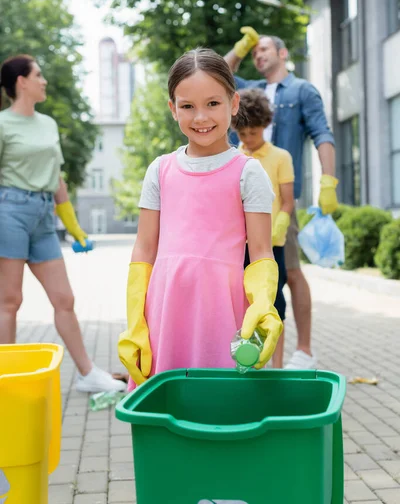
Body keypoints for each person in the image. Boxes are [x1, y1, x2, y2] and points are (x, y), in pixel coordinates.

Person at [118, 48, 283, 389]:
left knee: (222, 406)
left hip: (221, 311)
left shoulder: (248, 173)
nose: (200, 117)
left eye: (212, 103)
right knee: (166, 406)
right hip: (165, 310)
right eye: (187, 106)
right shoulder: (160, 170)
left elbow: (262, 252)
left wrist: (265, 301)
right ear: (172, 109)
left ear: (233, 104)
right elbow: (144, 249)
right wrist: (136, 319)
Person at [0, 55, 126, 393]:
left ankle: (87, 373)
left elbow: (57, 179)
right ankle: (7, 380)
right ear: (20, 82)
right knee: (9, 301)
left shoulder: (48, 125)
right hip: (8, 211)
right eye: (38, 75)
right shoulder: (2, 125)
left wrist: (75, 229)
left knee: (64, 299)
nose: (44, 80)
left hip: (43, 216)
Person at [225, 28, 338, 370]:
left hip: (280, 203)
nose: (258, 55)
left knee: (289, 271)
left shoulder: (302, 90)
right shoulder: (251, 90)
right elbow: (220, 75)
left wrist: (329, 179)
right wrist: (238, 48)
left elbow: (322, 133)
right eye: (254, 52)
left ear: (283, 53)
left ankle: (303, 350)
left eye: (263, 49)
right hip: (244, 206)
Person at [232, 88, 294, 368]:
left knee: (274, 304)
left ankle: (277, 366)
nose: (247, 139)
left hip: (272, 245)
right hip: (240, 246)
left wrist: (279, 224)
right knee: (243, 303)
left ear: (265, 126)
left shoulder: (281, 157)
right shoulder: (234, 159)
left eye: (253, 133)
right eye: (242, 133)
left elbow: (288, 201)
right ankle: (245, 361)